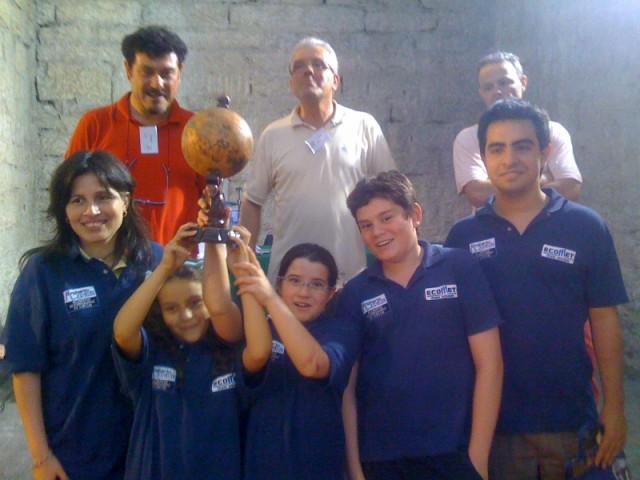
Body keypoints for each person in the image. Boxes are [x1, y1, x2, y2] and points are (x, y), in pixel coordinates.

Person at [446, 99, 628, 479]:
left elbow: (604, 319)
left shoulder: (586, 227)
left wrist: (614, 407)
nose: (509, 159)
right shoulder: (462, 237)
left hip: (571, 422)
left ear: (544, 152)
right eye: (497, 148)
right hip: (495, 427)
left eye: (522, 146)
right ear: (484, 157)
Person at [0, 151, 162, 479]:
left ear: (126, 202)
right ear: (64, 210)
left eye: (103, 197)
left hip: (148, 449)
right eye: (77, 200)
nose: (92, 211)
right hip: (75, 455)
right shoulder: (43, 272)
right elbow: (26, 369)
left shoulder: (157, 262)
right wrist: (41, 457)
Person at [339, 171, 503, 480]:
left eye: (387, 218)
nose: (377, 232)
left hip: (454, 453)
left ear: (415, 214)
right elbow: (347, 390)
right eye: (366, 225)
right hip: (382, 459)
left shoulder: (460, 268)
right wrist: (356, 469)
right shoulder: (356, 293)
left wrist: (477, 459)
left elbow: (490, 364)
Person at [240, 36, 396, 285]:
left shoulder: (363, 126)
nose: (308, 71)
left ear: (336, 80)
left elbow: (393, 194)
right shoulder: (273, 135)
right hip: (291, 282)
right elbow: (253, 201)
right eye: (299, 66)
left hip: (350, 278)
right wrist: (244, 260)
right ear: (291, 82)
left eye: (318, 64)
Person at [111, 223, 243, 479]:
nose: (186, 315)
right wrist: (164, 268)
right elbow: (123, 333)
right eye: (171, 308)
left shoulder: (229, 350)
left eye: (196, 302)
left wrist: (215, 233)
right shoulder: (153, 353)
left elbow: (222, 306)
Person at [227, 230, 359, 479]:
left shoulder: (341, 332)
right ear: (279, 284)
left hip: (317, 467)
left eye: (316, 284)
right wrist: (245, 274)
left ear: (331, 293)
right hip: (262, 466)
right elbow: (255, 357)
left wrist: (270, 299)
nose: (303, 293)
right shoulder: (262, 330)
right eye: (294, 280)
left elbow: (312, 364)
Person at [66, 26, 204, 245]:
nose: (157, 83)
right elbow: (68, 194)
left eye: (166, 73)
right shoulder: (95, 125)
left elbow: (210, 202)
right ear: (128, 70)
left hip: (180, 261)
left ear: (180, 73)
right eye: (146, 72)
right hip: (109, 261)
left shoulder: (199, 131)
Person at [453, 51, 582, 209]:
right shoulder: (468, 138)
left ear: (523, 82)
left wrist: (500, 185)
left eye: (504, 83)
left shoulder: (553, 132)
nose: (497, 91)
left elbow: (570, 189)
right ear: (481, 93)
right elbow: (478, 194)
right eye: (488, 87)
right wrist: (543, 179)